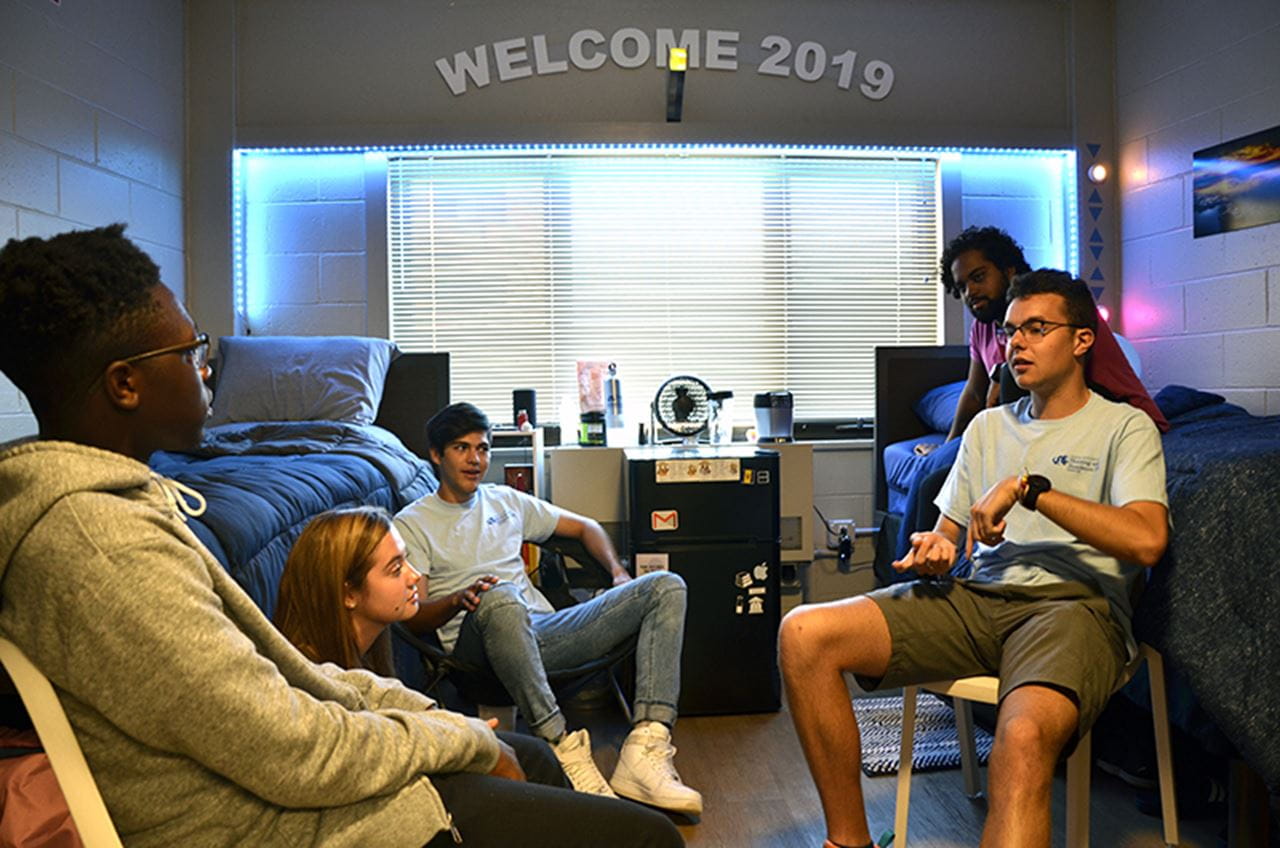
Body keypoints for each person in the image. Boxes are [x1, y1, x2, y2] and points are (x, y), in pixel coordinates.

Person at [0, 224, 683, 848]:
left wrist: (437, 721)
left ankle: (630, 747)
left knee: (525, 754)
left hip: (285, 781)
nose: (206, 368)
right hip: (270, 822)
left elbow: (288, 677)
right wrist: (449, 736)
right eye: (189, 351)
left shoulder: (127, 508)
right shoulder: (101, 546)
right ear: (125, 383)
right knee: (645, 839)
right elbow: (287, 750)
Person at [781, 269, 1169, 848]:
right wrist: (935, 551)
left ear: (1083, 340)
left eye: (1037, 329)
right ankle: (850, 841)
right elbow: (947, 536)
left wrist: (1030, 489)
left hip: (1072, 609)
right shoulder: (988, 427)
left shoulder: (1123, 426)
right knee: (804, 632)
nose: (1017, 343)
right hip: (975, 597)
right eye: (1011, 332)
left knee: (1023, 736)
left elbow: (1145, 540)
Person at [394, 402, 703, 816]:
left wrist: (616, 573)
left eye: (483, 449)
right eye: (461, 448)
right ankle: (560, 746)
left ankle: (645, 750)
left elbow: (585, 527)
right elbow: (416, 615)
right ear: (436, 454)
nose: (475, 460)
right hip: (476, 653)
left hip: (543, 632)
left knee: (666, 585)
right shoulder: (413, 523)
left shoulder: (507, 501)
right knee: (500, 596)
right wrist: (458, 599)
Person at [891, 226, 1167, 567]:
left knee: (933, 476)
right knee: (931, 470)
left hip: (1092, 407)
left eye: (978, 277)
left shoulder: (1060, 316)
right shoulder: (985, 328)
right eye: (961, 286)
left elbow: (1076, 391)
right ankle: (917, 569)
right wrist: (951, 443)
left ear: (1008, 270)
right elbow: (975, 393)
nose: (970, 291)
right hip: (1026, 411)